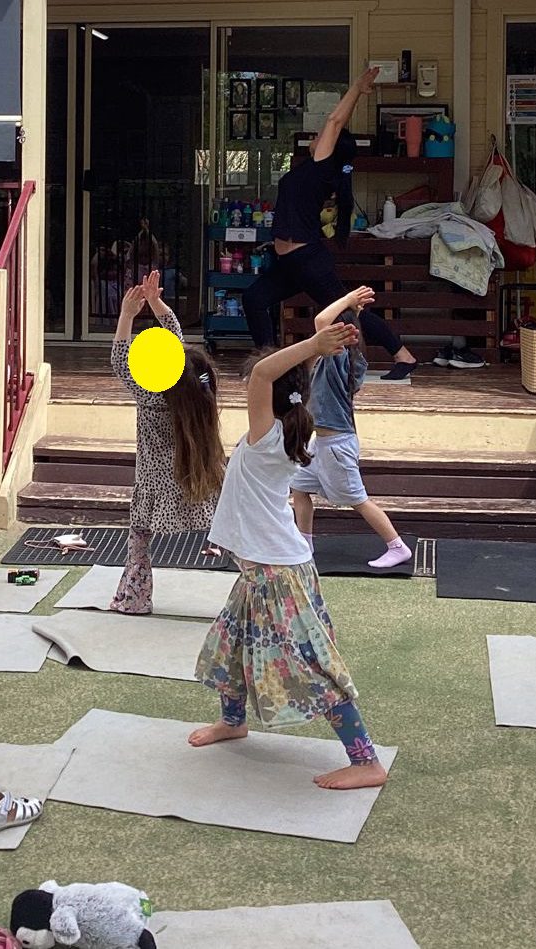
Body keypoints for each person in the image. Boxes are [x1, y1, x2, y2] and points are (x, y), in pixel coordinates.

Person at [191, 322, 388, 791]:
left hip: (277, 573)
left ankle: (366, 762)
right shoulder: (289, 433)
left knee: (312, 664)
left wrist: (312, 350)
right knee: (230, 647)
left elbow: (261, 374)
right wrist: (315, 351)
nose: (247, 391)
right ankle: (233, 720)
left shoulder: (269, 437)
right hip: (265, 569)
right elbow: (267, 377)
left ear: (269, 397)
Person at [242, 66, 418, 381]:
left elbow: (335, 121)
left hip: (308, 261)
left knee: (347, 312)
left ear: (330, 147)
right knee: (254, 299)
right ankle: (269, 364)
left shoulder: (321, 169)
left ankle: (403, 355)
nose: (317, 137)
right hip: (291, 263)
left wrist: (357, 89)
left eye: (322, 137)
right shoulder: (312, 170)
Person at [109, 270, 223, 614]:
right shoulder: (198, 390)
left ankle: (134, 599)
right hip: (196, 472)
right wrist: (157, 303)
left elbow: (119, 359)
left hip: (153, 481)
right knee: (230, 531)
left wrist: (128, 314)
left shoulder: (149, 393)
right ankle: (257, 591)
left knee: (139, 540)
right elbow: (176, 342)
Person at [291, 285, 413, 569]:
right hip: (320, 443)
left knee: (358, 500)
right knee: (298, 487)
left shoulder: (340, 356)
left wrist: (347, 300)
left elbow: (321, 323)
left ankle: (397, 546)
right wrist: (352, 310)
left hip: (336, 445)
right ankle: (304, 542)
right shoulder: (338, 357)